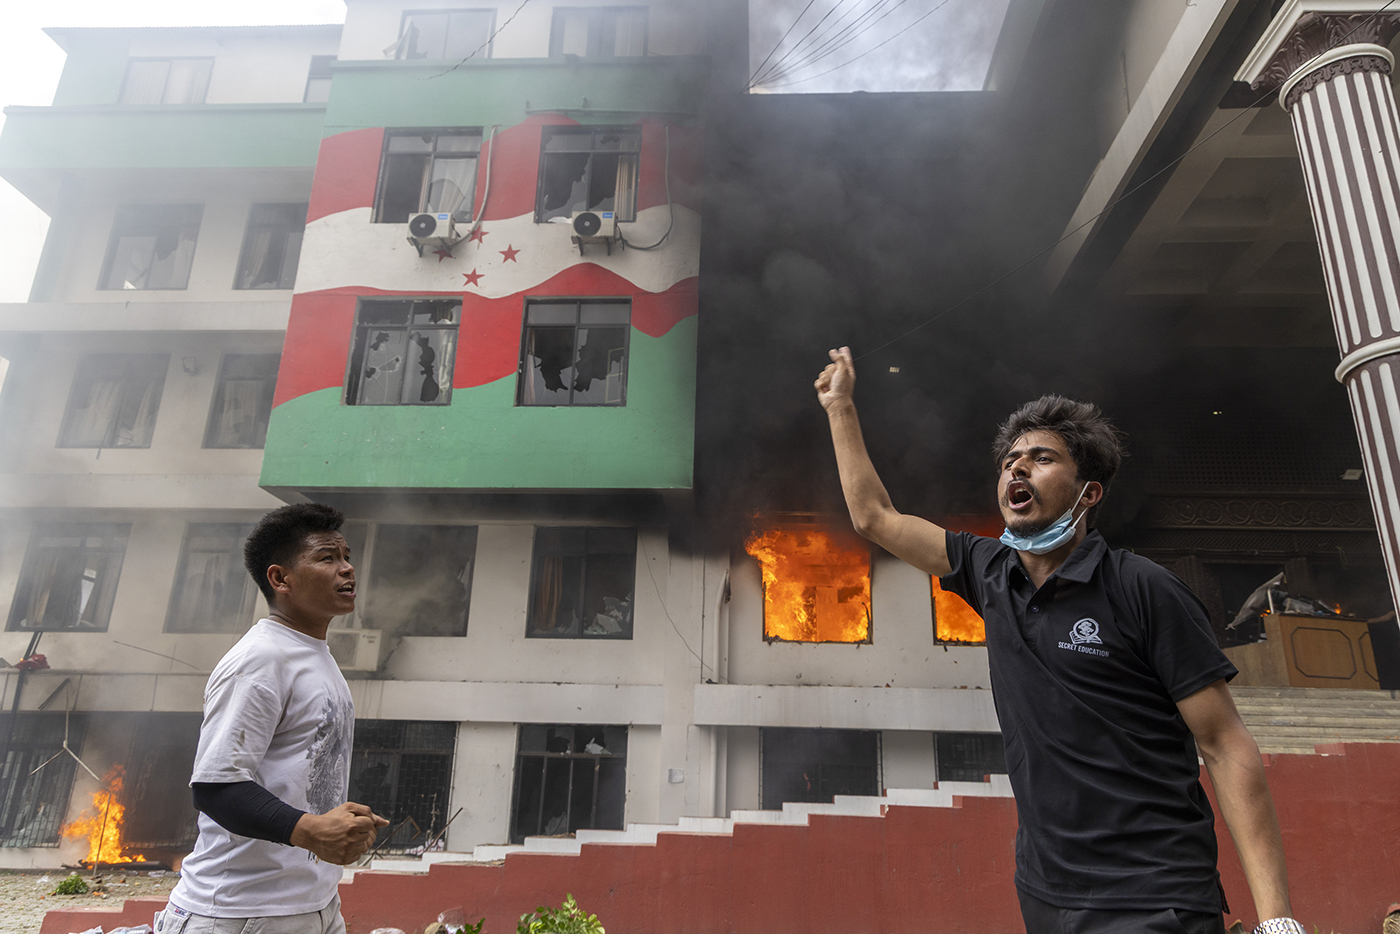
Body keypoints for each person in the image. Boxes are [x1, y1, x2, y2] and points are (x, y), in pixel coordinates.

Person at [815, 347, 1300, 934]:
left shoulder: (1143, 588)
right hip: (1045, 895)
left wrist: (1278, 920)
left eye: (1041, 458)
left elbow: (1223, 743)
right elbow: (874, 516)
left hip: (1153, 895)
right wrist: (841, 407)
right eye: (1010, 461)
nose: (1017, 469)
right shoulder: (990, 572)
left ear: (1088, 493)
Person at [158, 503, 389, 934]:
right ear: (281, 579)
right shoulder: (261, 659)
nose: (347, 569)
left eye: (346, 556)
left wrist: (333, 820)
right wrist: (311, 829)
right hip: (238, 913)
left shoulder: (316, 656)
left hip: (316, 905)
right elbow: (216, 788)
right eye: (327, 557)